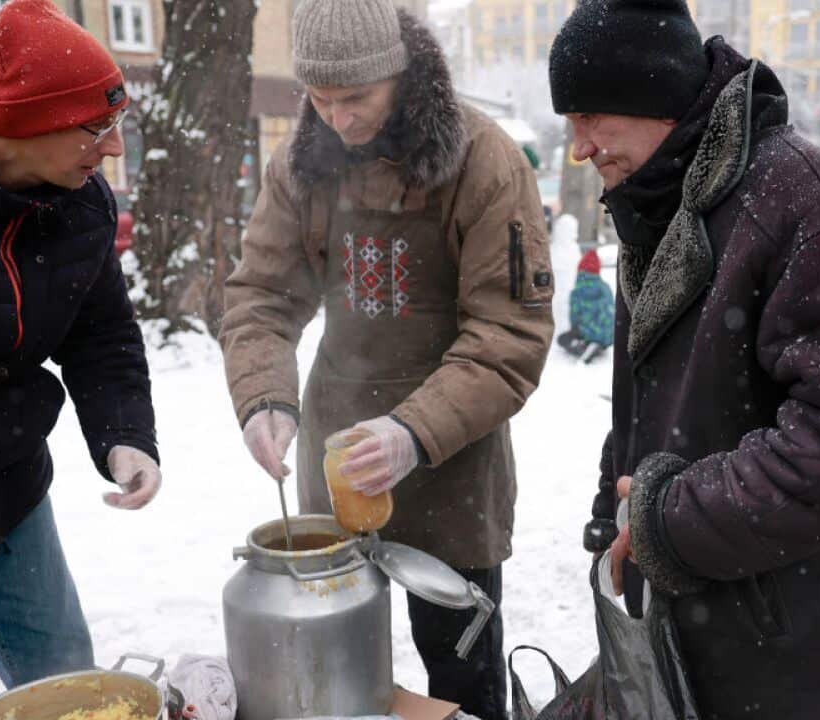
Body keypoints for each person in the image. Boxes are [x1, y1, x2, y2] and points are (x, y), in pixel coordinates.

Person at [549, 0, 820, 717]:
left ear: (655, 96)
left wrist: (673, 520)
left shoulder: (808, 209)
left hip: (809, 664)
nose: (578, 147)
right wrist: (622, 505)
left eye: (590, 117)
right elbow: (673, 397)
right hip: (721, 647)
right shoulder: (663, 205)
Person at [218, 0, 553, 716]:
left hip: (452, 460)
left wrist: (411, 432)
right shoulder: (300, 166)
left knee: (462, 675)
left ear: (399, 73)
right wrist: (264, 397)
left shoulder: (482, 159)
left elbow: (509, 334)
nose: (337, 119)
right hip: (336, 459)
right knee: (333, 670)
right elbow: (260, 299)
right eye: (319, 98)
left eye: (356, 98)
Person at [0, 0, 161, 714]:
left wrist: (126, 433)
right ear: (25, 123)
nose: (112, 148)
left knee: (72, 688)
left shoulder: (81, 204)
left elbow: (102, 331)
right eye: (96, 127)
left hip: (9, 500)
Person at [556, 249, 614, 363]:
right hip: (608, 336)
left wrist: (576, 329)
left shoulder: (577, 291)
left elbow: (574, 316)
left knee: (562, 339)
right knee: (596, 333)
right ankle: (596, 345)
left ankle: (582, 347)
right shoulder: (605, 287)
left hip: (586, 332)